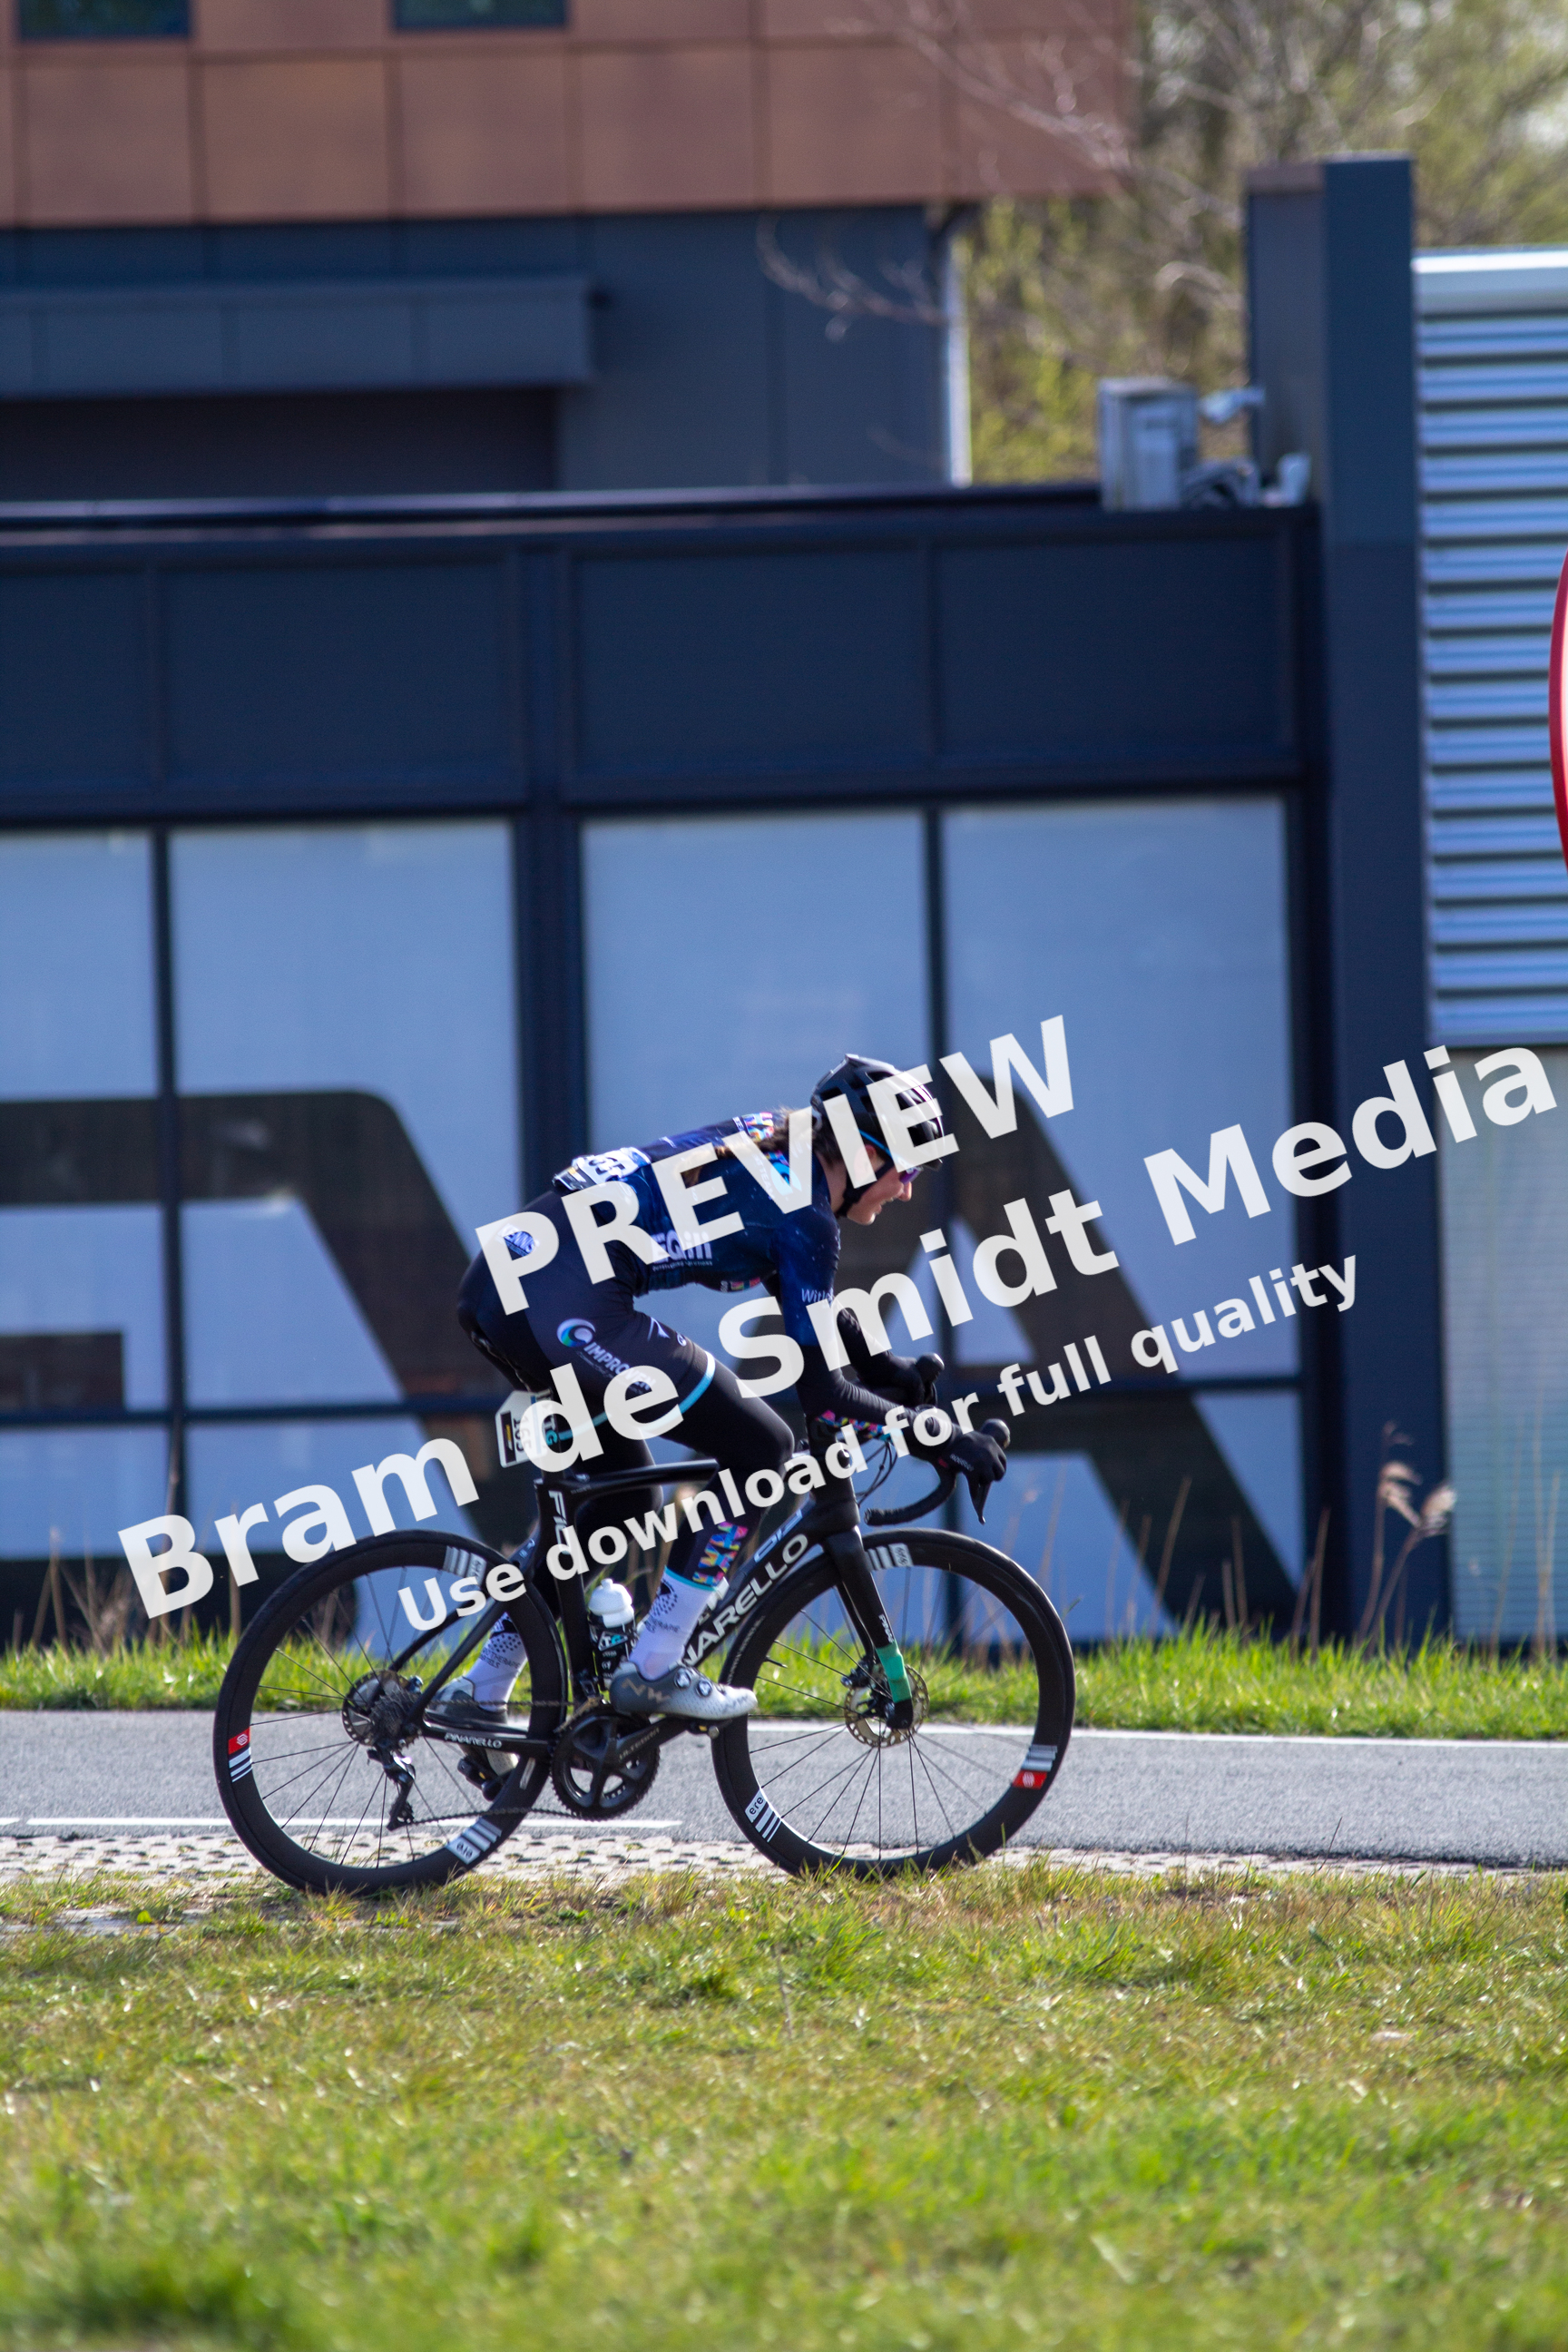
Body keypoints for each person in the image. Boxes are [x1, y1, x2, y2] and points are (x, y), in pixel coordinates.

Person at [441, 1055, 1008, 1730]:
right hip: (563, 1304)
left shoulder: (781, 1145)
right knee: (763, 1448)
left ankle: (480, 1692)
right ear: (864, 1153)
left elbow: (803, 1297)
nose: (907, 1191)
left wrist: (884, 1364)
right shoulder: (806, 1216)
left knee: (625, 1497)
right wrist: (940, 1438)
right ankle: (654, 1666)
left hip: (504, 1292)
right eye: (906, 1171)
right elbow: (823, 1398)